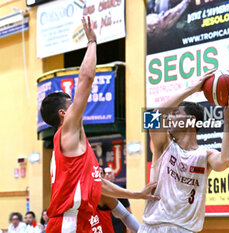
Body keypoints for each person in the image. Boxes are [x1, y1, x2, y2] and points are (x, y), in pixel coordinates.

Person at [39, 16, 159, 233]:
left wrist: (136, 194)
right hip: (69, 222)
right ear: (63, 113)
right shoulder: (67, 131)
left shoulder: (73, 149)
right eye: (71, 103)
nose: (78, 105)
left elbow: (99, 185)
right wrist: (92, 42)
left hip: (79, 219)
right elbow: (85, 79)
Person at [139, 70, 229, 232]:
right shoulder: (163, 145)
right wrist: (193, 88)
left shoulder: (205, 156)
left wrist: (227, 119)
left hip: (185, 229)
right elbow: (152, 116)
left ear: (191, 120)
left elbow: (227, 159)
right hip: (154, 227)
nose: (168, 118)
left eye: (175, 113)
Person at [104, 167, 134, 233]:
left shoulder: (120, 191)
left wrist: (129, 229)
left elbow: (128, 212)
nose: (107, 175)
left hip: (117, 226)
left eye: (109, 173)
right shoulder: (98, 191)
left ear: (113, 176)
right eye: (105, 173)